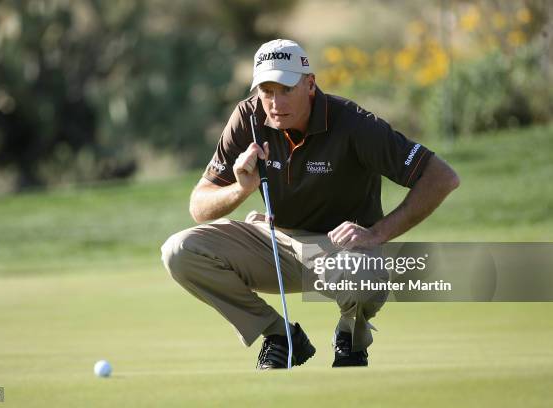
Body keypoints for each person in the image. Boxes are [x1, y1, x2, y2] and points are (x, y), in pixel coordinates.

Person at [161, 39, 460, 369]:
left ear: (310, 84)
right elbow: (199, 206)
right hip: (273, 242)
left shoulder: (353, 123)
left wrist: (377, 233)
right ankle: (279, 336)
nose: (275, 103)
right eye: (267, 91)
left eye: (286, 89)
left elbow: (441, 177)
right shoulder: (247, 118)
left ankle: (350, 336)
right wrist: (240, 191)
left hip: (342, 250)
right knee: (179, 251)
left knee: (364, 277)